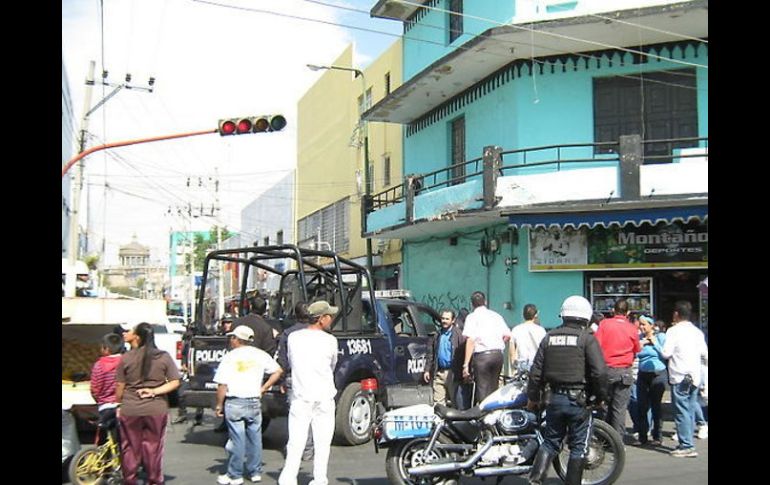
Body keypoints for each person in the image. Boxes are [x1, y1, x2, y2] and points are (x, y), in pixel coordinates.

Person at [526, 295, 608, 485]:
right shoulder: (586, 338)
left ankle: (535, 481)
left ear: (563, 315)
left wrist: (533, 397)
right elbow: (600, 372)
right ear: (586, 316)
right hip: (578, 400)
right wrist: (600, 396)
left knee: (550, 443)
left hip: (554, 399)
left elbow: (536, 372)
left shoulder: (549, 337)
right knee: (578, 447)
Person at [278, 301, 339, 485]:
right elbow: (333, 365)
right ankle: (320, 478)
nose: (331, 319)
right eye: (329, 316)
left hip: (301, 396)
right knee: (322, 443)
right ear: (321, 319)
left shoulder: (294, 338)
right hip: (324, 396)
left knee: (296, 442)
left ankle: (288, 478)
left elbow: (290, 360)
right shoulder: (330, 340)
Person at [214, 325, 284, 484]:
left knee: (237, 439)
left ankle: (235, 474)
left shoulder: (230, 357)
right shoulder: (260, 355)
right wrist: (264, 388)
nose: (231, 340)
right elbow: (278, 371)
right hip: (254, 400)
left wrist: (219, 405)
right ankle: (255, 471)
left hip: (235, 401)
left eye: (232, 337)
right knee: (255, 437)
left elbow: (222, 385)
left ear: (237, 339)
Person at [115, 322, 182, 485]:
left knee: (130, 447)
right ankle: (154, 479)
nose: (126, 333)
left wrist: (118, 404)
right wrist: (154, 391)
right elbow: (175, 382)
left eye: (130, 330)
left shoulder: (126, 358)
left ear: (137, 336)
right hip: (156, 408)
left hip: (130, 408)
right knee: (153, 447)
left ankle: (130, 479)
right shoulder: (163, 356)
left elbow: (120, 386)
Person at [660, 300, 708, 458]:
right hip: (695, 375)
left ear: (676, 314)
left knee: (681, 412)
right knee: (689, 409)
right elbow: (704, 354)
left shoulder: (673, 331)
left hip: (680, 375)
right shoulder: (697, 332)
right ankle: (688, 441)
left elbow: (666, 353)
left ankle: (686, 445)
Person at [593, 299, 641, 438]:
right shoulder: (631, 328)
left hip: (606, 370)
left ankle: (604, 438)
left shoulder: (604, 324)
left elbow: (596, 346)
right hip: (624, 371)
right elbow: (637, 348)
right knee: (619, 409)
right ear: (628, 312)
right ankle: (618, 441)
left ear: (613, 310)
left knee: (604, 405)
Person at [276, 302, 316, 462]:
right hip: (314, 377)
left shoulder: (288, 334)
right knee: (312, 414)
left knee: (297, 416)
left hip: (294, 377)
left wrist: (281, 379)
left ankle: (297, 449)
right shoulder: (319, 333)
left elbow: (283, 359)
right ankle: (308, 450)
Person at [462, 292, 511, 404]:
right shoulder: (496, 315)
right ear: (485, 302)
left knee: (482, 389)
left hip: (482, 356)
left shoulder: (472, 317)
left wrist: (466, 364)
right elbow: (507, 335)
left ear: (472, 304)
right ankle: (494, 414)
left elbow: (470, 340)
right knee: (494, 388)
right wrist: (497, 343)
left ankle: (484, 417)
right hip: (497, 355)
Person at [423, 309, 466, 407]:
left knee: (456, 403)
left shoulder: (458, 334)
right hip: (439, 373)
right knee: (438, 405)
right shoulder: (437, 335)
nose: (444, 321)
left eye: (447, 319)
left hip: (453, 374)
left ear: (453, 320)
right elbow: (431, 354)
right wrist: (427, 370)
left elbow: (463, 354)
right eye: (443, 318)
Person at [635, 315, 666, 446]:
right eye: (640, 324)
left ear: (651, 325)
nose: (641, 327)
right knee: (641, 406)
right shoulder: (639, 338)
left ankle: (657, 436)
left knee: (656, 406)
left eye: (644, 324)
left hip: (657, 374)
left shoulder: (660, 337)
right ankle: (643, 436)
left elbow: (665, 354)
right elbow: (634, 353)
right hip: (642, 374)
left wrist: (654, 342)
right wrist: (639, 345)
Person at [90, 333, 124, 438]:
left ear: (106, 349)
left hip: (105, 407)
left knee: (104, 440)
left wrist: (99, 399)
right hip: (125, 406)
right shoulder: (126, 362)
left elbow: (95, 389)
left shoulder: (98, 366)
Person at [508, 303, 546, 373]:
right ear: (536, 315)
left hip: (521, 363)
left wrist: (513, 364)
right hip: (537, 363)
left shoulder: (516, 329)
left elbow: (512, 349)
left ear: (523, 315)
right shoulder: (541, 330)